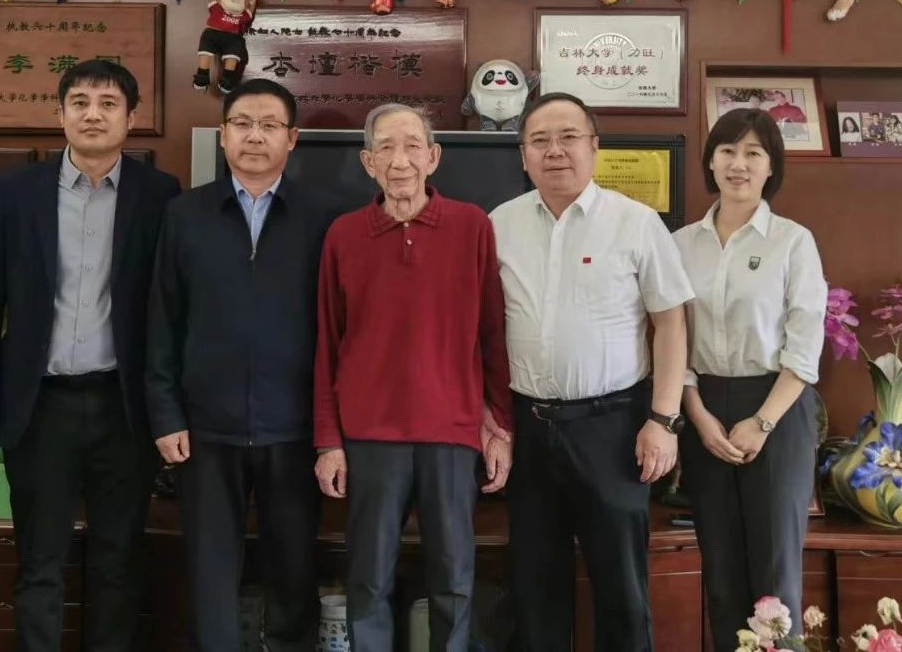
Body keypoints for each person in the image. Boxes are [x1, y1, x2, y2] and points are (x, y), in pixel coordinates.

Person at [0, 59, 180, 652]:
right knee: (39, 561)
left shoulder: (160, 195)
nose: (93, 114)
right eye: (80, 102)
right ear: (59, 114)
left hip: (123, 409)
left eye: (108, 104)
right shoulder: (17, 193)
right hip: (40, 407)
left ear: (132, 118)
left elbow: (171, 309)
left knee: (118, 561)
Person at [489, 92, 692, 652]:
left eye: (568, 137)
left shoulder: (636, 223)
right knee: (535, 583)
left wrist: (664, 421)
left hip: (614, 428)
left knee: (620, 584)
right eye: (539, 141)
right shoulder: (499, 224)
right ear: (523, 155)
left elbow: (671, 325)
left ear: (595, 147)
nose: (555, 151)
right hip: (529, 429)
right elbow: (483, 328)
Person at [147, 79, 342, 652]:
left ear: (292, 139)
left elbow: (340, 331)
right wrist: (166, 414)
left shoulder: (323, 218)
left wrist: (331, 431)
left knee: (293, 571)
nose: (255, 136)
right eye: (242, 124)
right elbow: (161, 319)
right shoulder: (185, 214)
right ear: (224, 134)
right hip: (205, 431)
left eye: (269, 125)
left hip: (294, 430)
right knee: (210, 574)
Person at [312, 103, 514, 652]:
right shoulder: (343, 235)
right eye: (385, 148)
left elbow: (493, 334)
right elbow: (327, 345)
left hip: (452, 433)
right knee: (368, 578)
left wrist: (501, 426)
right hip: (370, 435)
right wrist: (328, 441)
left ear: (434, 157)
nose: (399, 161)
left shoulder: (472, 226)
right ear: (367, 162)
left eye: (411, 147)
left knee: (454, 579)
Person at [672, 107, 827, 652]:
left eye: (753, 153)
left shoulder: (792, 242)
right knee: (720, 568)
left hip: (776, 408)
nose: (738, 164)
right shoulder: (680, 244)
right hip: (703, 409)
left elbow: (804, 349)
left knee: (774, 571)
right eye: (727, 151)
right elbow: (671, 341)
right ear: (711, 161)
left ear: (771, 167)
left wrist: (761, 422)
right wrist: (698, 416)